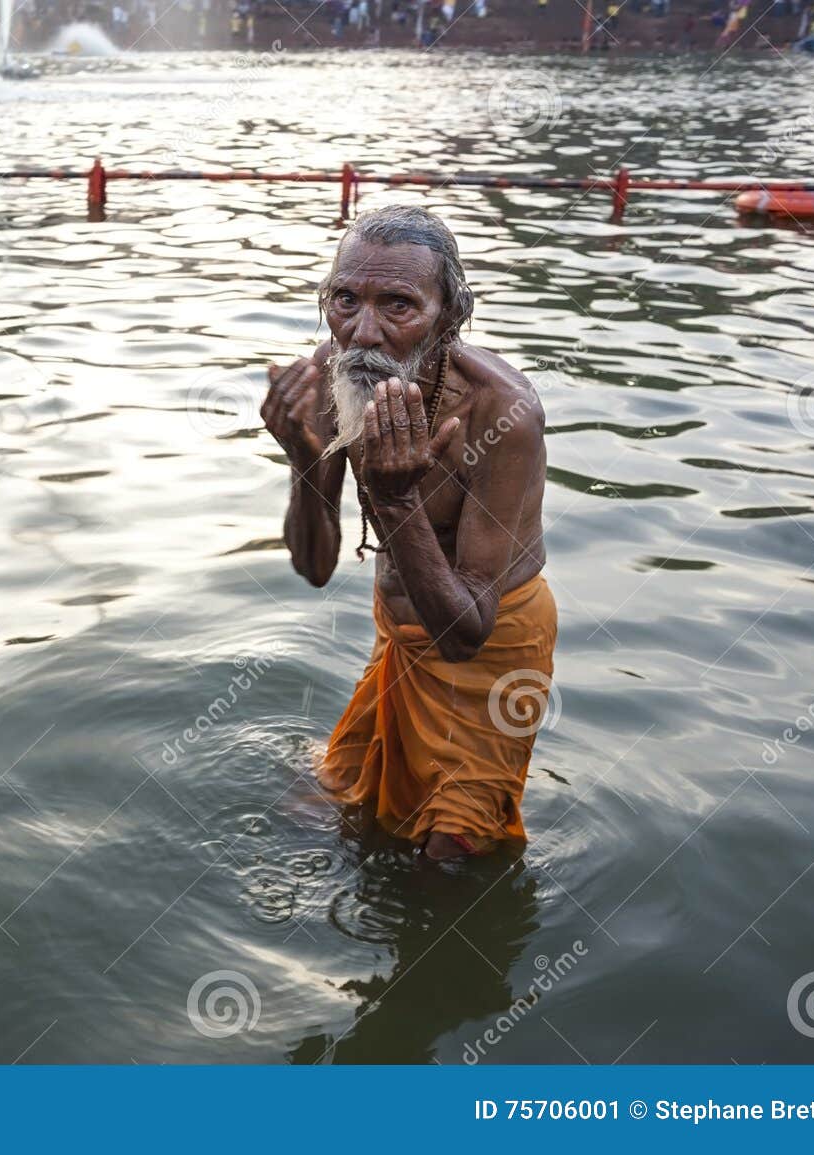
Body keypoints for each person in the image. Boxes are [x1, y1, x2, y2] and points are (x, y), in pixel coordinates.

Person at [261, 206, 553, 862]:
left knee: (450, 860)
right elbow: (314, 566)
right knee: (325, 812)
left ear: (449, 317)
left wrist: (395, 506)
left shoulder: (503, 413)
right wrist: (305, 461)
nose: (362, 332)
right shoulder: (338, 373)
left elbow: (464, 632)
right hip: (398, 634)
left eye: (397, 305)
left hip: (493, 651)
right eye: (344, 300)